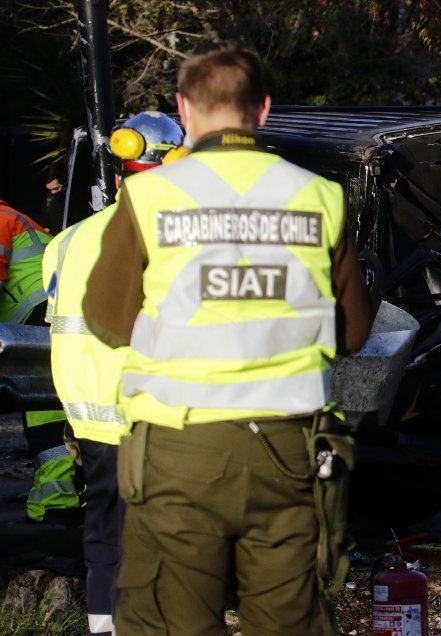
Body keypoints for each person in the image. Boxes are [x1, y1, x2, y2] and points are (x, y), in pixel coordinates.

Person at [83, 42, 373, 634]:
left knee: (171, 621)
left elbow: (105, 318)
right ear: (263, 110)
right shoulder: (320, 196)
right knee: (289, 621)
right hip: (294, 451)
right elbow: (355, 331)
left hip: (179, 451)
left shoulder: (149, 196)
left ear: (184, 110)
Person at [44, 110, 185, 636]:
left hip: (91, 418)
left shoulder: (69, 239)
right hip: (155, 416)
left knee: (106, 535)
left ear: (121, 174)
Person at [0, 197, 77, 524]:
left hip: (39, 317)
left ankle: (60, 501)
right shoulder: (12, 216)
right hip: (49, 314)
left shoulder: (2, 217)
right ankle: (61, 497)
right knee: (49, 409)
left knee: (45, 410)